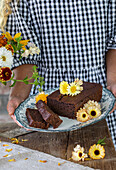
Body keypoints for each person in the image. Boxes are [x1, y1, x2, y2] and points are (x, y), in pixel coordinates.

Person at [0, 0, 116, 148]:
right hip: (47, 97)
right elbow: (26, 54)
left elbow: (114, 40)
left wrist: (113, 81)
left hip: (98, 95)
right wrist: (17, 95)